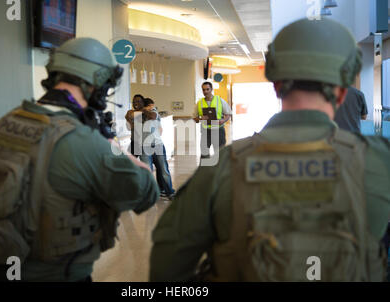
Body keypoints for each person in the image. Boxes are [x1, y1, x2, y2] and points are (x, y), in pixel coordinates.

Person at [150, 18, 390, 282]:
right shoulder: (380, 161)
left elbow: (166, 267)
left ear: (276, 86)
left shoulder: (222, 169)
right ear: (343, 93)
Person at [0, 37, 159, 282]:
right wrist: (113, 147)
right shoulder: (83, 141)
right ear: (97, 83)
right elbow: (146, 193)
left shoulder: (7, 122)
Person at [140, 98, 176, 200]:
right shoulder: (138, 114)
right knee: (148, 170)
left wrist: (146, 109)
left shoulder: (153, 112)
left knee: (164, 169)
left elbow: (153, 116)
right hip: (144, 146)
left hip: (157, 145)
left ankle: (169, 191)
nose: (153, 107)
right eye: (151, 105)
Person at [193, 82, 232, 159]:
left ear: (211, 89)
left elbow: (228, 114)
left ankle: (220, 170)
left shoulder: (219, 100)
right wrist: (201, 118)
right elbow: (195, 119)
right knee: (204, 155)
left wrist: (223, 120)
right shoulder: (199, 103)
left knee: (220, 154)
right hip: (205, 131)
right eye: (204, 90)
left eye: (207, 89)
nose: (205, 91)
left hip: (218, 130)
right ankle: (205, 170)